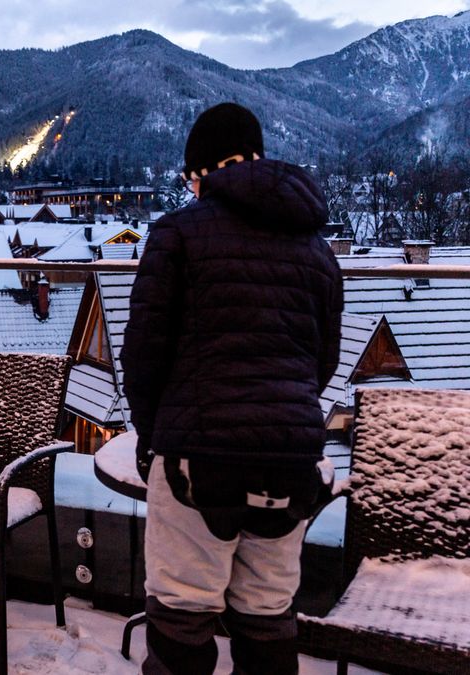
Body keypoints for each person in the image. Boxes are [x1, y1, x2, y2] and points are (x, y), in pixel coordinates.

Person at [120, 102, 343, 674]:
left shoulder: (178, 233)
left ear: (202, 173)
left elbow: (143, 358)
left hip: (199, 461)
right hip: (290, 464)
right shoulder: (316, 248)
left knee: (181, 620)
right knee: (268, 619)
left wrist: (154, 438)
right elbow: (322, 365)